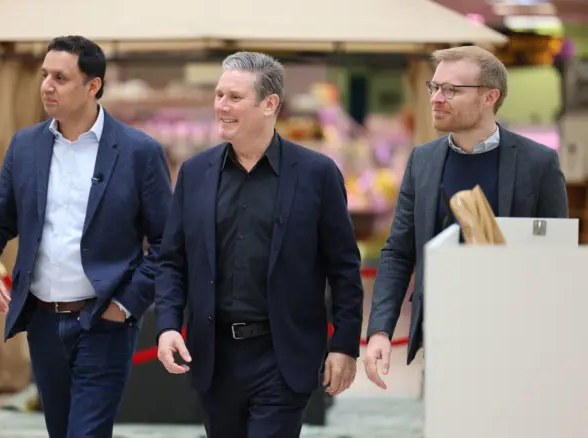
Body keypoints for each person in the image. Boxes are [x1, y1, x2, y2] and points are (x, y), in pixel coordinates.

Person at [0, 35, 173, 437]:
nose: (46, 84)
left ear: (92, 86)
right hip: (43, 322)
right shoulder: (25, 146)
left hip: (105, 322)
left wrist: (125, 305)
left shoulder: (139, 152)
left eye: (60, 77)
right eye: (45, 74)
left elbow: (167, 245)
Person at [154, 51, 364, 438]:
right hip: (214, 357)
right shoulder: (195, 173)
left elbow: (343, 267)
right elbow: (172, 260)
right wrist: (167, 325)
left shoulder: (317, 175)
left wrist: (345, 345)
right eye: (219, 95)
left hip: (283, 355)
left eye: (234, 97)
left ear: (270, 105)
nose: (221, 106)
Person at [364, 45, 569, 389]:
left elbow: (556, 255)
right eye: (435, 87)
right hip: (443, 334)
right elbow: (399, 252)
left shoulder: (539, 163)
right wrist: (380, 330)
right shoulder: (423, 161)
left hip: (518, 338)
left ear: (490, 97)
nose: (437, 98)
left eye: (452, 90)